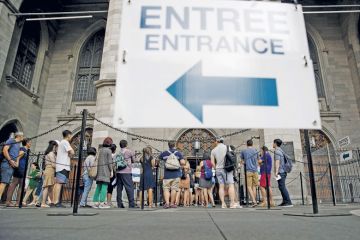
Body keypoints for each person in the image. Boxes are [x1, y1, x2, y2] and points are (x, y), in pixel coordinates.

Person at [211, 137, 238, 209]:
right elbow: (233, 157)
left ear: (217, 141)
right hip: (227, 169)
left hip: (218, 169)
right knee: (231, 184)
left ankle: (223, 203)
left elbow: (212, 162)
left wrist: (216, 167)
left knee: (221, 186)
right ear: (222, 141)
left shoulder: (213, 150)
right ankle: (232, 203)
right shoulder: (227, 147)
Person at [159, 141, 185, 209]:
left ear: (168, 145)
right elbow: (182, 162)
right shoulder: (178, 153)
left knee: (166, 189)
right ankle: (172, 203)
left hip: (167, 174)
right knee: (174, 189)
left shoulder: (164, 153)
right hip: (176, 174)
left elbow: (158, 161)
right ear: (175, 145)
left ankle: (167, 203)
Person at [5, 138, 31, 207]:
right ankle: (9, 201)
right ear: (27, 143)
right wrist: (17, 165)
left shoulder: (25, 150)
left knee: (21, 185)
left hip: (22, 169)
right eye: (30, 142)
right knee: (14, 184)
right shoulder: (23, 149)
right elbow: (18, 158)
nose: (30, 143)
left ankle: (18, 202)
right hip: (20, 169)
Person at [0, 132, 24, 199]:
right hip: (7, 163)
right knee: (4, 182)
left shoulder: (18, 144)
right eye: (23, 136)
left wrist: (16, 162)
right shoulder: (11, 140)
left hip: (11, 165)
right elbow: (5, 150)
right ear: (19, 136)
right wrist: (10, 160)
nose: (23, 137)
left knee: (6, 182)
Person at [54, 130, 74, 208]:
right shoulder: (65, 142)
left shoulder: (61, 143)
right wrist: (70, 153)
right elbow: (72, 152)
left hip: (60, 166)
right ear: (68, 135)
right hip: (63, 166)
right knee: (59, 184)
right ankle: (56, 202)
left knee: (58, 184)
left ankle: (55, 201)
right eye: (71, 135)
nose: (71, 137)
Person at [93, 138, 113, 209]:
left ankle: (95, 202)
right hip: (105, 171)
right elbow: (109, 162)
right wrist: (111, 171)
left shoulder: (100, 150)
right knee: (104, 186)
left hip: (99, 171)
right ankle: (102, 203)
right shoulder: (109, 151)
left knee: (98, 187)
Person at [273, 139, 293, 207]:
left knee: (282, 187)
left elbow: (277, 162)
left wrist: (276, 172)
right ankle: (285, 201)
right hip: (283, 171)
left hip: (280, 172)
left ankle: (288, 202)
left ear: (275, 143)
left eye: (273, 143)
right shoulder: (281, 151)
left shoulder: (277, 151)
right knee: (281, 187)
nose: (273, 144)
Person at [116, 140, 136, 208]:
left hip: (119, 172)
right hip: (127, 171)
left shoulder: (118, 152)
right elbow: (134, 160)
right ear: (126, 144)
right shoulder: (129, 152)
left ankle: (119, 203)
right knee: (129, 188)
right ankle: (131, 204)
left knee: (119, 188)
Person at [241, 139, 260, 207]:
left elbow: (242, 161)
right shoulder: (255, 150)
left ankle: (254, 201)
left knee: (249, 187)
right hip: (255, 170)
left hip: (248, 170)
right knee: (254, 186)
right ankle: (253, 201)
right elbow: (258, 160)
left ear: (247, 144)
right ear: (252, 144)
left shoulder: (244, 151)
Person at [40, 141, 58, 207]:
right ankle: (43, 203)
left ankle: (52, 202)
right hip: (50, 170)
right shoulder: (51, 153)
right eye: (56, 146)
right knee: (47, 187)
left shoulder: (49, 153)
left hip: (49, 170)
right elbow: (53, 164)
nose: (56, 148)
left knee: (50, 187)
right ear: (53, 146)